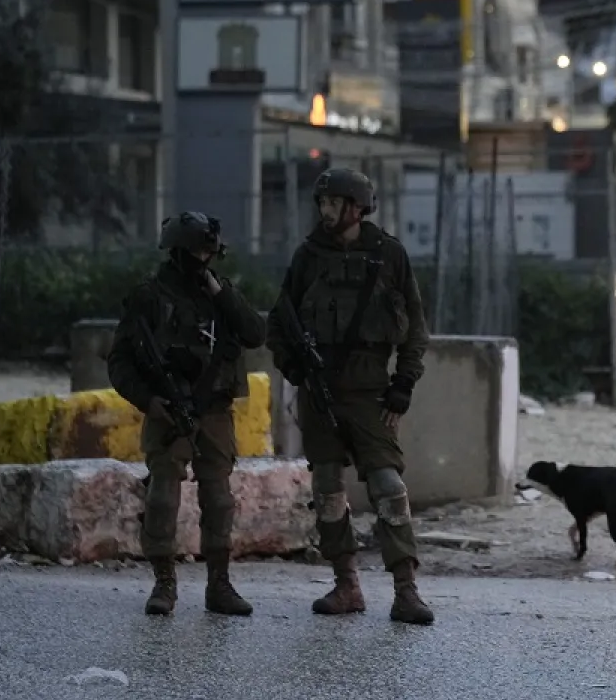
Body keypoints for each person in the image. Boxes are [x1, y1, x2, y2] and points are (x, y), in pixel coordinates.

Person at [266, 167, 434, 625]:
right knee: (326, 489)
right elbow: (279, 322)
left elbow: (415, 330)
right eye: (321, 203)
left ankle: (406, 589)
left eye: (334, 203)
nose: (325, 211)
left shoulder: (388, 256)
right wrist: (294, 366)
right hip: (319, 392)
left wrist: (403, 385)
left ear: (357, 208)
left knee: (387, 486)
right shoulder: (308, 257)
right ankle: (346, 584)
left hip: (370, 391)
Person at [107, 211, 268, 617]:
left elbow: (254, 332)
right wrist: (149, 400)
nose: (204, 259)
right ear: (177, 251)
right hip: (168, 410)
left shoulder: (219, 294)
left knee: (219, 497)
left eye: (209, 252)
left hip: (213, 409)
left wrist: (220, 294)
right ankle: (164, 583)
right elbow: (120, 363)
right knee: (162, 496)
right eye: (197, 251)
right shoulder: (149, 297)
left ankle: (220, 584)